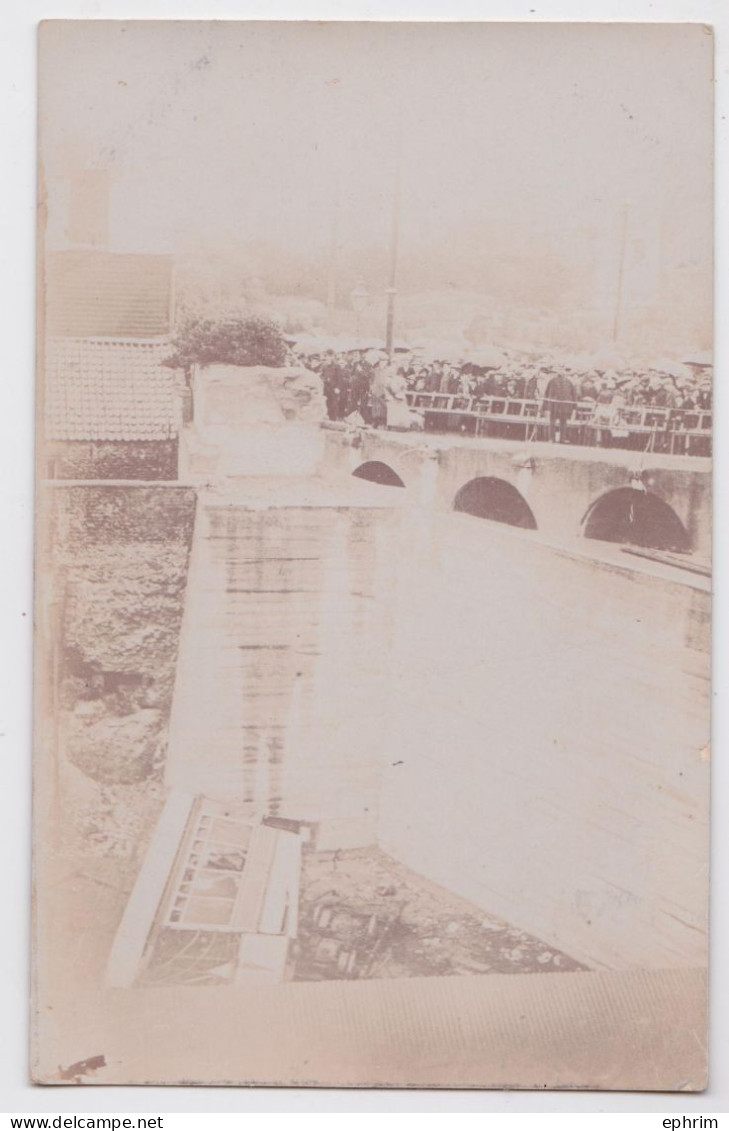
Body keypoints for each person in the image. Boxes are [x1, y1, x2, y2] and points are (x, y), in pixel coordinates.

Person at [544, 368, 576, 443]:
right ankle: (561, 439)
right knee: (563, 423)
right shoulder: (569, 382)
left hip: (554, 405)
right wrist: (574, 406)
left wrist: (546, 406)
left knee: (553, 422)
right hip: (565, 406)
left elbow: (547, 393)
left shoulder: (552, 381)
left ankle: (552, 438)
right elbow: (574, 395)